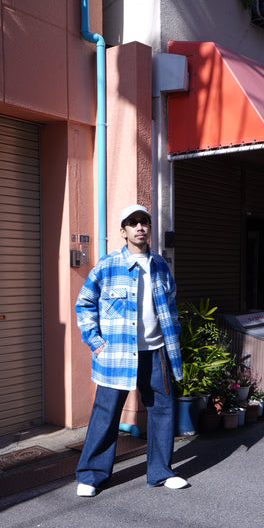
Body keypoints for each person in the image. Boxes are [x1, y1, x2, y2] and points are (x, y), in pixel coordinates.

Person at [74, 204, 189, 497]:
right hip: (117, 355)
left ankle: (161, 472)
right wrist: (96, 342)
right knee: (106, 413)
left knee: (162, 412)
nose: (140, 226)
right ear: (123, 230)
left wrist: (173, 341)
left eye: (144, 222)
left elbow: (171, 306)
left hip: (155, 351)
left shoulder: (161, 265)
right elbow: (84, 304)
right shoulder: (107, 265)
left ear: (149, 228)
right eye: (133, 222)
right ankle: (91, 475)